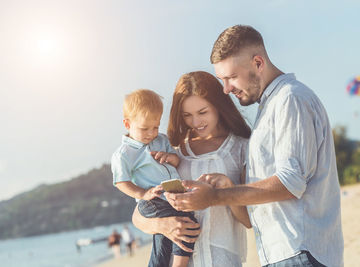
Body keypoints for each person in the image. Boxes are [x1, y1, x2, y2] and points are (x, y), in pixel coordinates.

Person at [165, 25, 344, 267]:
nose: (227, 89)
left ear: (258, 63)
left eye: (231, 77)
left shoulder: (290, 99)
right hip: (286, 253)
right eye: (222, 80)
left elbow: (291, 182)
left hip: (300, 252)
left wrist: (215, 197)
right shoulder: (269, 107)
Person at [132, 71, 252, 266]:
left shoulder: (242, 148)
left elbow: (249, 220)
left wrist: (228, 189)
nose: (196, 122)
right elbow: (139, 215)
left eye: (202, 112)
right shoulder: (172, 151)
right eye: (187, 115)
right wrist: (164, 226)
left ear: (219, 106)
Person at [111, 89, 198, 267]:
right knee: (187, 223)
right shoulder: (124, 154)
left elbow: (176, 160)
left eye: (156, 127)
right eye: (144, 128)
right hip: (152, 201)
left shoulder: (162, 140)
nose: (151, 133)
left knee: (164, 239)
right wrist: (143, 193)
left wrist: (170, 158)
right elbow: (121, 182)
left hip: (170, 195)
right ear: (127, 124)